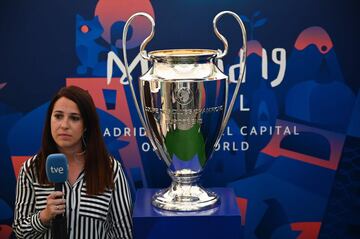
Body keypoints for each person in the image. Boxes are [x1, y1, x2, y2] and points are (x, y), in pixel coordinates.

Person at [12, 86, 133, 238]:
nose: (64, 125)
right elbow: (20, 231)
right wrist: (43, 216)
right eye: (58, 116)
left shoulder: (110, 169)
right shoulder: (31, 169)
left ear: (86, 126)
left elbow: (123, 232)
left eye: (74, 118)